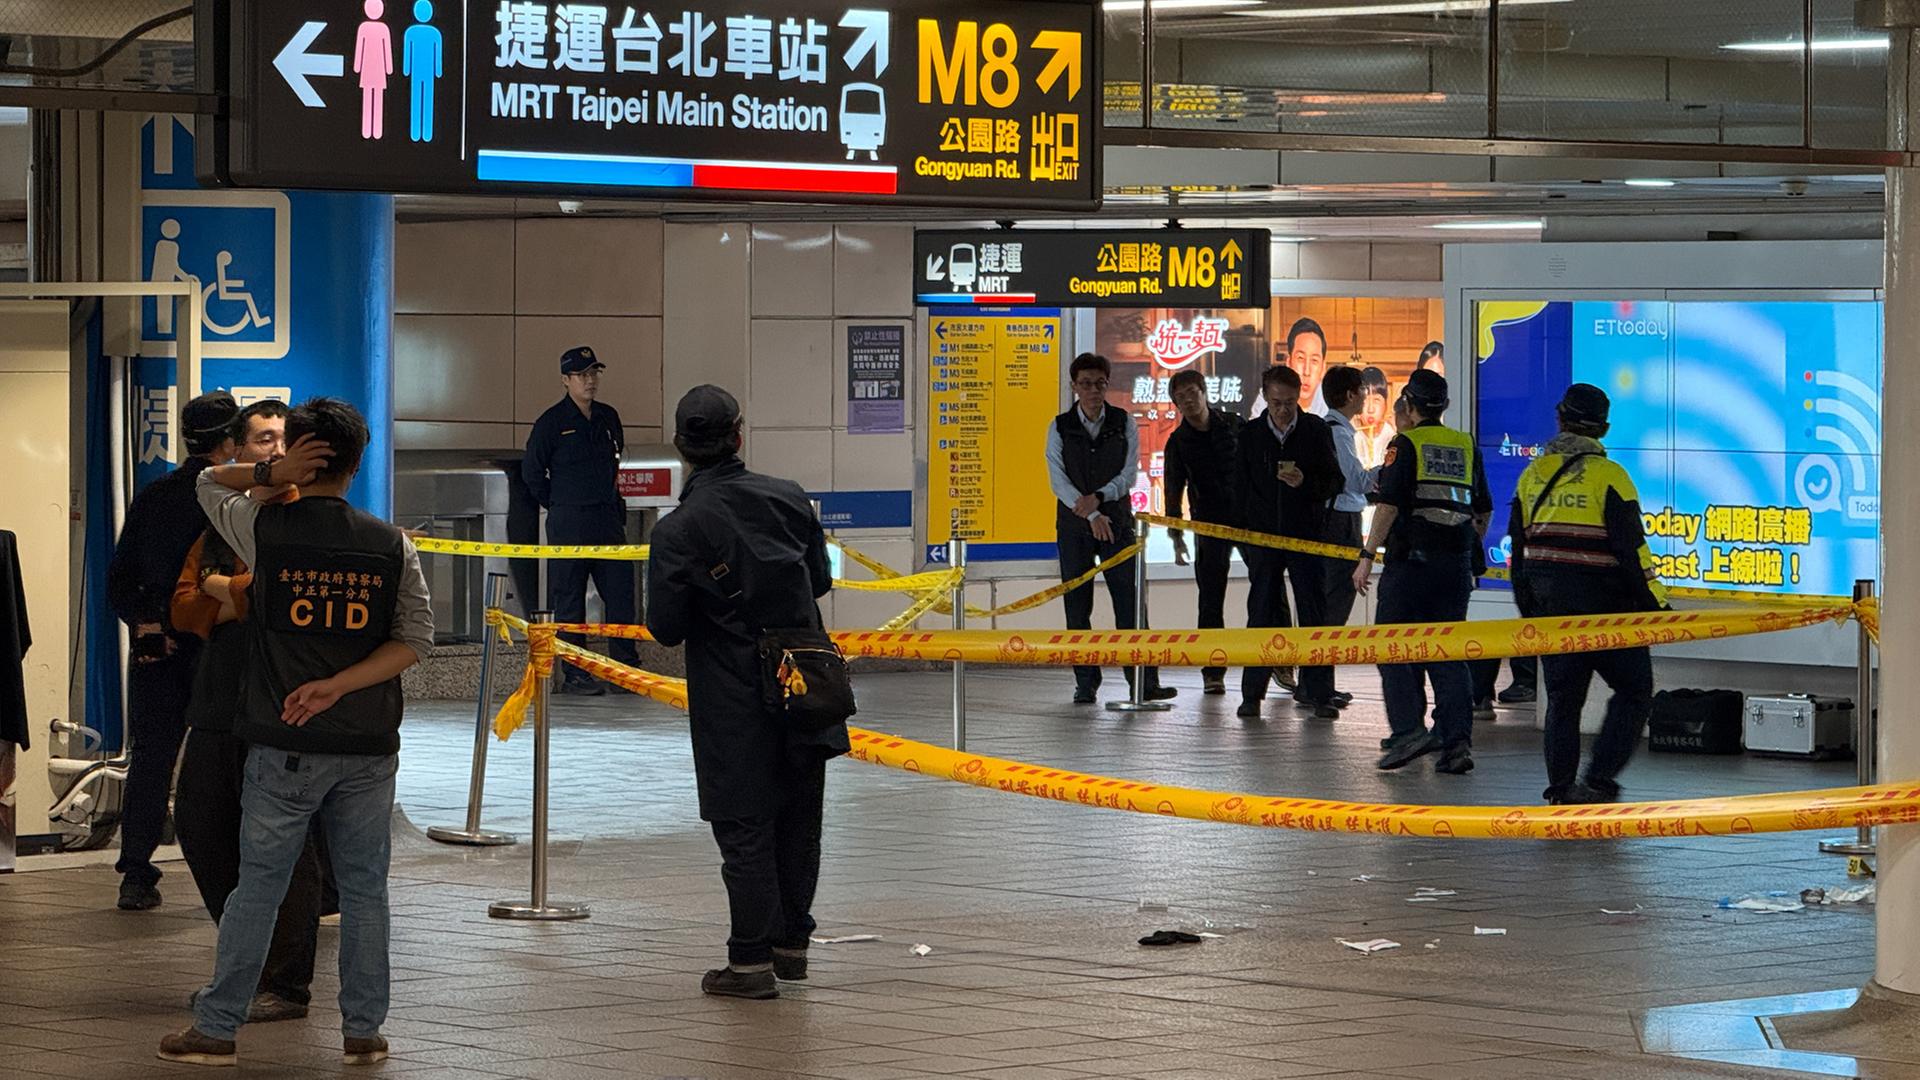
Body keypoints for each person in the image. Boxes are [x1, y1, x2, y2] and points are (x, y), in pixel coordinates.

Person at [159, 398, 432, 1068]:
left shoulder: (265, 529)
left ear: (301, 456)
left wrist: (270, 473)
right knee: (366, 889)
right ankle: (363, 1029)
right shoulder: (391, 543)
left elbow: (203, 482)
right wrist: (341, 684)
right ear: (358, 463)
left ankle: (218, 1028)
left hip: (285, 742)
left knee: (259, 885)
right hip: (368, 744)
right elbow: (415, 640)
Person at [646, 386, 845, 1000]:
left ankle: (750, 962)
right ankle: (792, 948)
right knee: (798, 819)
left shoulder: (678, 529)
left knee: (746, 825)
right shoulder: (788, 497)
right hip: (804, 683)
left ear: (683, 448)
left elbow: (666, 627)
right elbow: (819, 580)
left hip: (733, 696)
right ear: (738, 435)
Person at [170, 400, 327, 1025]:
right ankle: (247, 954)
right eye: (264, 439)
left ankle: (285, 983)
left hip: (282, 703)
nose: (273, 450)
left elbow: (278, 599)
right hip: (216, 700)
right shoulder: (219, 520)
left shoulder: (309, 521)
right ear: (242, 447)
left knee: (284, 844)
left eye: (285, 441)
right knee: (200, 823)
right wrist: (233, 596)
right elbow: (182, 607)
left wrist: (224, 591)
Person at [106, 390, 239, 912]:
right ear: (231, 442)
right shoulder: (232, 502)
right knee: (231, 759)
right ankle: (234, 873)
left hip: (157, 650)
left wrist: (147, 625)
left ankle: (136, 873)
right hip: (220, 649)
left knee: (152, 758)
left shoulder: (156, 495)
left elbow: (120, 578)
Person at [1509, 385, 1668, 804]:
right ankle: (1598, 780)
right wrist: (1657, 605)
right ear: (1604, 428)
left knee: (1563, 699)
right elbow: (1633, 551)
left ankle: (1560, 791)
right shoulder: (1611, 477)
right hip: (1609, 613)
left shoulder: (1532, 475)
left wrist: (1531, 611)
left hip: (1553, 612)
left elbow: (1518, 553)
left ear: (1560, 420)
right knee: (1634, 691)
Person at [1353, 369, 1491, 775]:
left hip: (1411, 565)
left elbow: (1389, 505)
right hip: (1455, 568)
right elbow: (1482, 510)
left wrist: (1366, 555)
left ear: (1409, 406)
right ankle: (1456, 742)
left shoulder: (1406, 443)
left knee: (1392, 645)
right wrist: (1462, 545)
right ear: (1444, 406)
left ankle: (1408, 730)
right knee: (1447, 653)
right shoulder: (1465, 445)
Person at [1046, 353, 1173, 705]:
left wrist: (1100, 500)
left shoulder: (1123, 422)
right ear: (1074, 386)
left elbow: (1129, 474)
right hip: (1075, 526)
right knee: (1077, 606)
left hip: (1116, 521)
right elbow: (1058, 481)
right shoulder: (1059, 426)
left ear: (1107, 384)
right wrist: (1089, 514)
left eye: (1099, 383)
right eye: (1085, 383)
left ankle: (1144, 682)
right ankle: (1086, 682)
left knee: (1131, 603)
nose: (1093, 390)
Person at [522, 346, 640, 694]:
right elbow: (532, 473)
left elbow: (614, 463)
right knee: (570, 597)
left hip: (605, 517)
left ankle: (624, 668)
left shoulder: (607, 417)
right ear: (565, 380)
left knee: (620, 594)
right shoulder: (551, 423)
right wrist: (559, 504)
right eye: (582, 375)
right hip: (568, 521)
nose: (590, 381)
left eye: (594, 374)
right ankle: (577, 673)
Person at [1233, 366, 1342, 720]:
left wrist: (1305, 483)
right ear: (1265, 397)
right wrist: (1248, 533)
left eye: (1290, 403)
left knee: (1313, 612)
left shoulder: (1315, 430)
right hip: (1263, 538)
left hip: (1307, 535)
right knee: (1261, 611)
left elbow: (1334, 482)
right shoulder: (1250, 434)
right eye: (1277, 403)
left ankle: (1320, 693)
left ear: (1300, 399)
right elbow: (1240, 488)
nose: (1283, 410)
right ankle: (1252, 694)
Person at [1163, 369, 1243, 695]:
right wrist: (1176, 536)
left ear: (1204, 391)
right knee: (1210, 598)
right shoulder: (1178, 442)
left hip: (1250, 520)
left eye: (1192, 392)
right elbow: (1172, 490)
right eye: (1181, 397)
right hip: (1208, 524)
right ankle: (1213, 671)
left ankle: (1279, 663)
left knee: (1269, 592)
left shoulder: (1235, 424)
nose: (1188, 400)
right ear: (1176, 404)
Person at [1299, 366, 1370, 715]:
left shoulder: (1337, 429)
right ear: (1348, 395)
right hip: (1340, 522)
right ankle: (1317, 688)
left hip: (1338, 520)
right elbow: (1355, 481)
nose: (1366, 395)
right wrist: (1391, 470)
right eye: (1361, 389)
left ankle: (1313, 684)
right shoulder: (1338, 432)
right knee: (1333, 606)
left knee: (1328, 604)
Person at [1355, 366, 1396, 468]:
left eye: (1377, 400)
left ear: (1386, 404)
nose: (1370, 409)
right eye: (1365, 400)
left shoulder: (1392, 435)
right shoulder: (1351, 435)